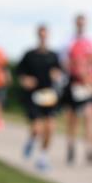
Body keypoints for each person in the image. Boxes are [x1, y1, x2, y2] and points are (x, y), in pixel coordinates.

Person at [16, 25, 63, 172]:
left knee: (50, 127)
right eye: (41, 34)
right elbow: (20, 74)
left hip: (48, 95)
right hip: (33, 96)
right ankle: (31, 140)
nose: (43, 37)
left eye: (45, 34)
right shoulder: (29, 55)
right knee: (37, 128)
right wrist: (25, 80)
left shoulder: (53, 55)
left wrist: (57, 75)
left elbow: (59, 72)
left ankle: (43, 157)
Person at [61, 14, 92, 166]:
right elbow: (65, 62)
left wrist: (88, 74)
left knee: (90, 114)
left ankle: (89, 148)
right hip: (74, 82)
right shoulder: (68, 40)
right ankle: (71, 146)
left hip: (89, 82)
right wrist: (77, 70)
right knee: (72, 118)